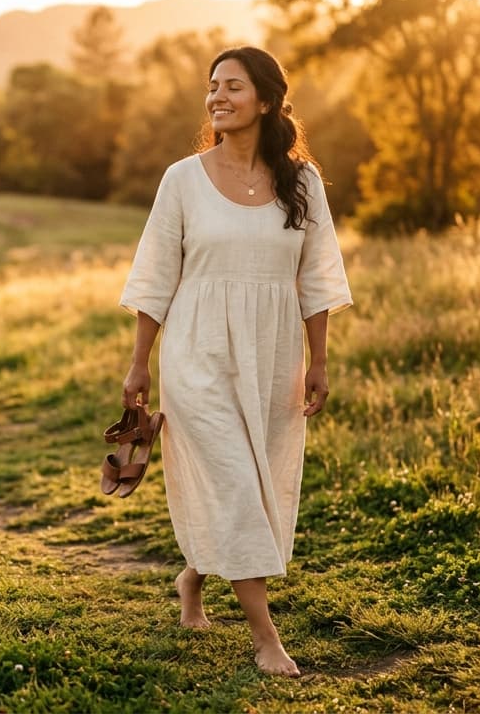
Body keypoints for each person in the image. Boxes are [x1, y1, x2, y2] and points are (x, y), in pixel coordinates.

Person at [118, 46, 352, 677]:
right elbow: (155, 277)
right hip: (196, 355)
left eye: (233, 87)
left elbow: (318, 278)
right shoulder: (182, 180)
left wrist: (319, 360)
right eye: (212, 87)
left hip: (274, 354)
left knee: (253, 484)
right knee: (232, 479)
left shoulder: (302, 183)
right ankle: (266, 638)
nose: (217, 96)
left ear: (268, 100)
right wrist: (140, 364)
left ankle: (193, 576)